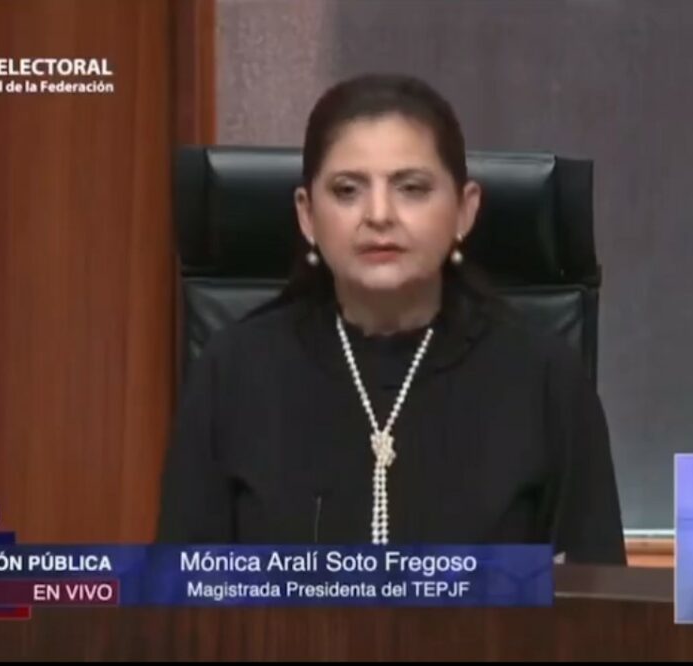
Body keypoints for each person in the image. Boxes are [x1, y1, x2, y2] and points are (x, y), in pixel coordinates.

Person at [155, 73, 626, 564]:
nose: (379, 214)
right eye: (347, 190)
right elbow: (179, 597)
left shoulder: (545, 380)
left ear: (464, 211)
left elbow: (595, 595)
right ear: (307, 215)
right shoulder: (232, 374)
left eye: (411, 188)